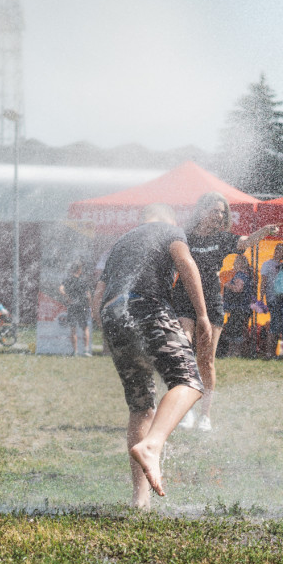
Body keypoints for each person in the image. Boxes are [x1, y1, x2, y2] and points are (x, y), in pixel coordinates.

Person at [91, 203, 211, 509]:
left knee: (141, 405)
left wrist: (108, 332)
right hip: (146, 305)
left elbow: (98, 293)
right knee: (190, 381)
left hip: (113, 313)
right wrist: (202, 316)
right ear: (169, 217)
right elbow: (185, 263)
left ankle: (140, 500)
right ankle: (153, 446)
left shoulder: (122, 243)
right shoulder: (171, 230)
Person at [172, 193, 278, 429]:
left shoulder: (223, 239)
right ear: (201, 211)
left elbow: (245, 243)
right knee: (184, 351)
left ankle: (205, 416)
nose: (219, 215)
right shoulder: (184, 236)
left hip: (211, 302)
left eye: (222, 212)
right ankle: (185, 410)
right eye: (215, 210)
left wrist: (264, 231)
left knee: (206, 360)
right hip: (183, 298)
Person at [220, 254, 254, 358]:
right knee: (236, 330)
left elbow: (238, 289)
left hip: (238, 308)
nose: (234, 263)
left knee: (234, 331)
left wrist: (226, 285)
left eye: (236, 261)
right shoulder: (247, 275)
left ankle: (234, 353)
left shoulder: (240, 275)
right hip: (242, 308)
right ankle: (234, 353)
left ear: (240, 263)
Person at [59, 261, 93, 356]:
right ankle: (86, 351)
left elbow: (60, 289)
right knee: (85, 328)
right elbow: (88, 295)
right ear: (79, 270)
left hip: (72, 306)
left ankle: (75, 351)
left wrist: (67, 297)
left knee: (73, 329)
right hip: (83, 306)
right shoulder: (83, 280)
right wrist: (90, 307)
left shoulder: (68, 279)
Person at [261, 243, 283, 358]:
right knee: (274, 324)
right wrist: (261, 297)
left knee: (279, 325)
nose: (282, 253)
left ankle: (274, 352)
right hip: (272, 298)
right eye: (280, 250)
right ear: (275, 250)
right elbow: (263, 281)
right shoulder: (267, 264)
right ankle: (269, 353)